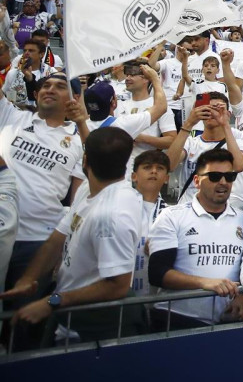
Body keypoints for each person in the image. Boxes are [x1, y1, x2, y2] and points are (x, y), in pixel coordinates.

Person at [0, 128, 142, 343]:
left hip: (99, 328)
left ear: (85, 160)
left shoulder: (112, 215)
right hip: (71, 316)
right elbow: (57, 239)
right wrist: (28, 278)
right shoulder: (88, 188)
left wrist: (52, 302)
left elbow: (118, 285)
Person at [1, 73, 87, 329]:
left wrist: (63, 249)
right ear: (36, 94)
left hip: (38, 243)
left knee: (21, 324)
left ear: (74, 100)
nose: (49, 89)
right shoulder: (12, 117)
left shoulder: (79, 139)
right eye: (45, 85)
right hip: (1, 231)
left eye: (60, 87)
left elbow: (79, 199)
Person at [148, 148, 243, 329]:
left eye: (229, 177)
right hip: (177, 321)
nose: (223, 182)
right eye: (214, 176)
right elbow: (157, 273)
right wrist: (205, 283)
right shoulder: (172, 216)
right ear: (197, 180)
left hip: (227, 325)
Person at [167, 92, 243, 212]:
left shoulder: (239, 142)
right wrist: (189, 123)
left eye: (217, 109)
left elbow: (238, 166)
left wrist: (225, 124)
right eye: (207, 109)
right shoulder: (190, 142)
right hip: (188, 211)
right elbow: (169, 165)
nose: (212, 113)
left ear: (228, 114)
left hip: (222, 210)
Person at [130, 150, 170, 296]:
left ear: (166, 178)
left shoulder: (172, 214)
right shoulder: (120, 207)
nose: (154, 171)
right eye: (147, 167)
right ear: (134, 176)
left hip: (157, 298)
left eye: (159, 168)